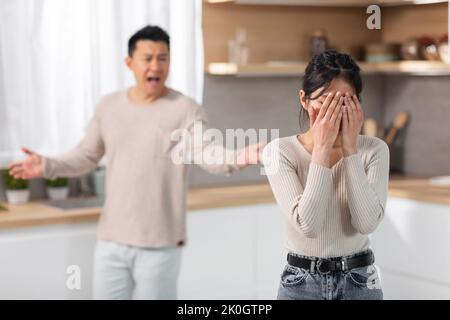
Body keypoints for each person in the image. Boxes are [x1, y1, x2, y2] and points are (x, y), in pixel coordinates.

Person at [9, 25, 263, 300]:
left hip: (160, 243)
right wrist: (46, 165)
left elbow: (206, 152)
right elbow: (86, 155)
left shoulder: (185, 109)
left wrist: (237, 158)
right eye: (148, 58)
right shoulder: (109, 106)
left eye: (163, 58)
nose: (156, 65)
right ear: (129, 63)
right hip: (111, 242)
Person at [262, 50, 389, 300]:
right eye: (325, 102)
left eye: (344, 103)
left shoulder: (374, 150)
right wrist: (321, 149)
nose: (334, 114)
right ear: (304, 100)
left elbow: (367, 224)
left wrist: (351, 150)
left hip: (360, 281)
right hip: (301, 283)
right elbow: (308, 225)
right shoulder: (279, 152)